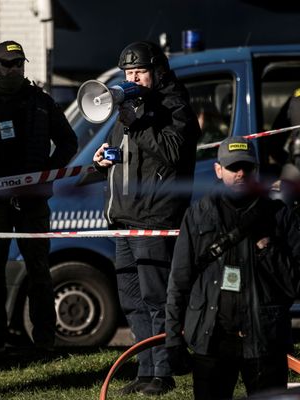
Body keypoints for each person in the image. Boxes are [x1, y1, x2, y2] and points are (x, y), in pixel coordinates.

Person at [0, 40, 78, 352]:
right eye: (7, 64)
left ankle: (44, 339)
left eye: (19, 63)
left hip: (32, 201)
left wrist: (46, 173)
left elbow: (68, 141)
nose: (14, 69)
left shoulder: (40, 101)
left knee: (38, 270)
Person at [93, 41, 201, 395]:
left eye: (139, 72)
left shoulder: (174, 105)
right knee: (131, 300)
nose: (132, 79)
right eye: (127, 73)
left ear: (158, 71)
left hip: (154, 215)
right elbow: (126, 152)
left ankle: (165, 371)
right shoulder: (130, 109)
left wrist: (137, 121)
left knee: (157, 298)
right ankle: (145, 369)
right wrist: (103, 158)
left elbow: (171, 152)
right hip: (123, 216)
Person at [165, 136, 300, 399]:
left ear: (256, 170)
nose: (240, 173)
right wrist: (173, 340)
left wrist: (268, 248)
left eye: (246, 168)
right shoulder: (198, 214)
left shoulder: (279, 215)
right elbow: (179, 280)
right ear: (218, 170)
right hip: (212, 338)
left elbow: (296, 284)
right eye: (232, 167)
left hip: (264, 341)